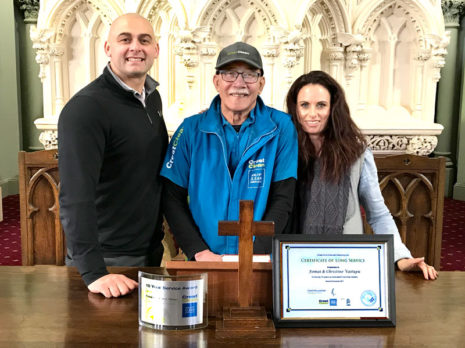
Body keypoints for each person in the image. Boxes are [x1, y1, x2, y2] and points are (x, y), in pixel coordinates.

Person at [285, 70, 438, 280]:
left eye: (321, 105)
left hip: (344, 261)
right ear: (295, 108)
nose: (312, 113)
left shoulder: (356, 153)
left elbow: (378, 212)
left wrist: (401, 257)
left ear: (333, 108)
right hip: (295, 258)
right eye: (305, 105)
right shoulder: (285, 151)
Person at [58, 13, 168, 298]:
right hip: (107, 260)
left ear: (156, 49)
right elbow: (74, 196)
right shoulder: (86, 109)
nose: (135, 47)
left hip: (147, 250)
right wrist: (93, 272)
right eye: (125, 39)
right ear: (108, 48)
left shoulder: (152, 98)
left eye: (144, 40)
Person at [161, 42, 297, 261]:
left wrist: (255, 253)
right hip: (204, 257)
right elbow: (171, 197)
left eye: (250, 74)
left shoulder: (281, 127)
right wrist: (198, 250)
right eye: (229, 74)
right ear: (216, 81)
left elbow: (283, 197)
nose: (239, 83)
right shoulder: (190, 129)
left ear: (261, 83)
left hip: (259, 258)